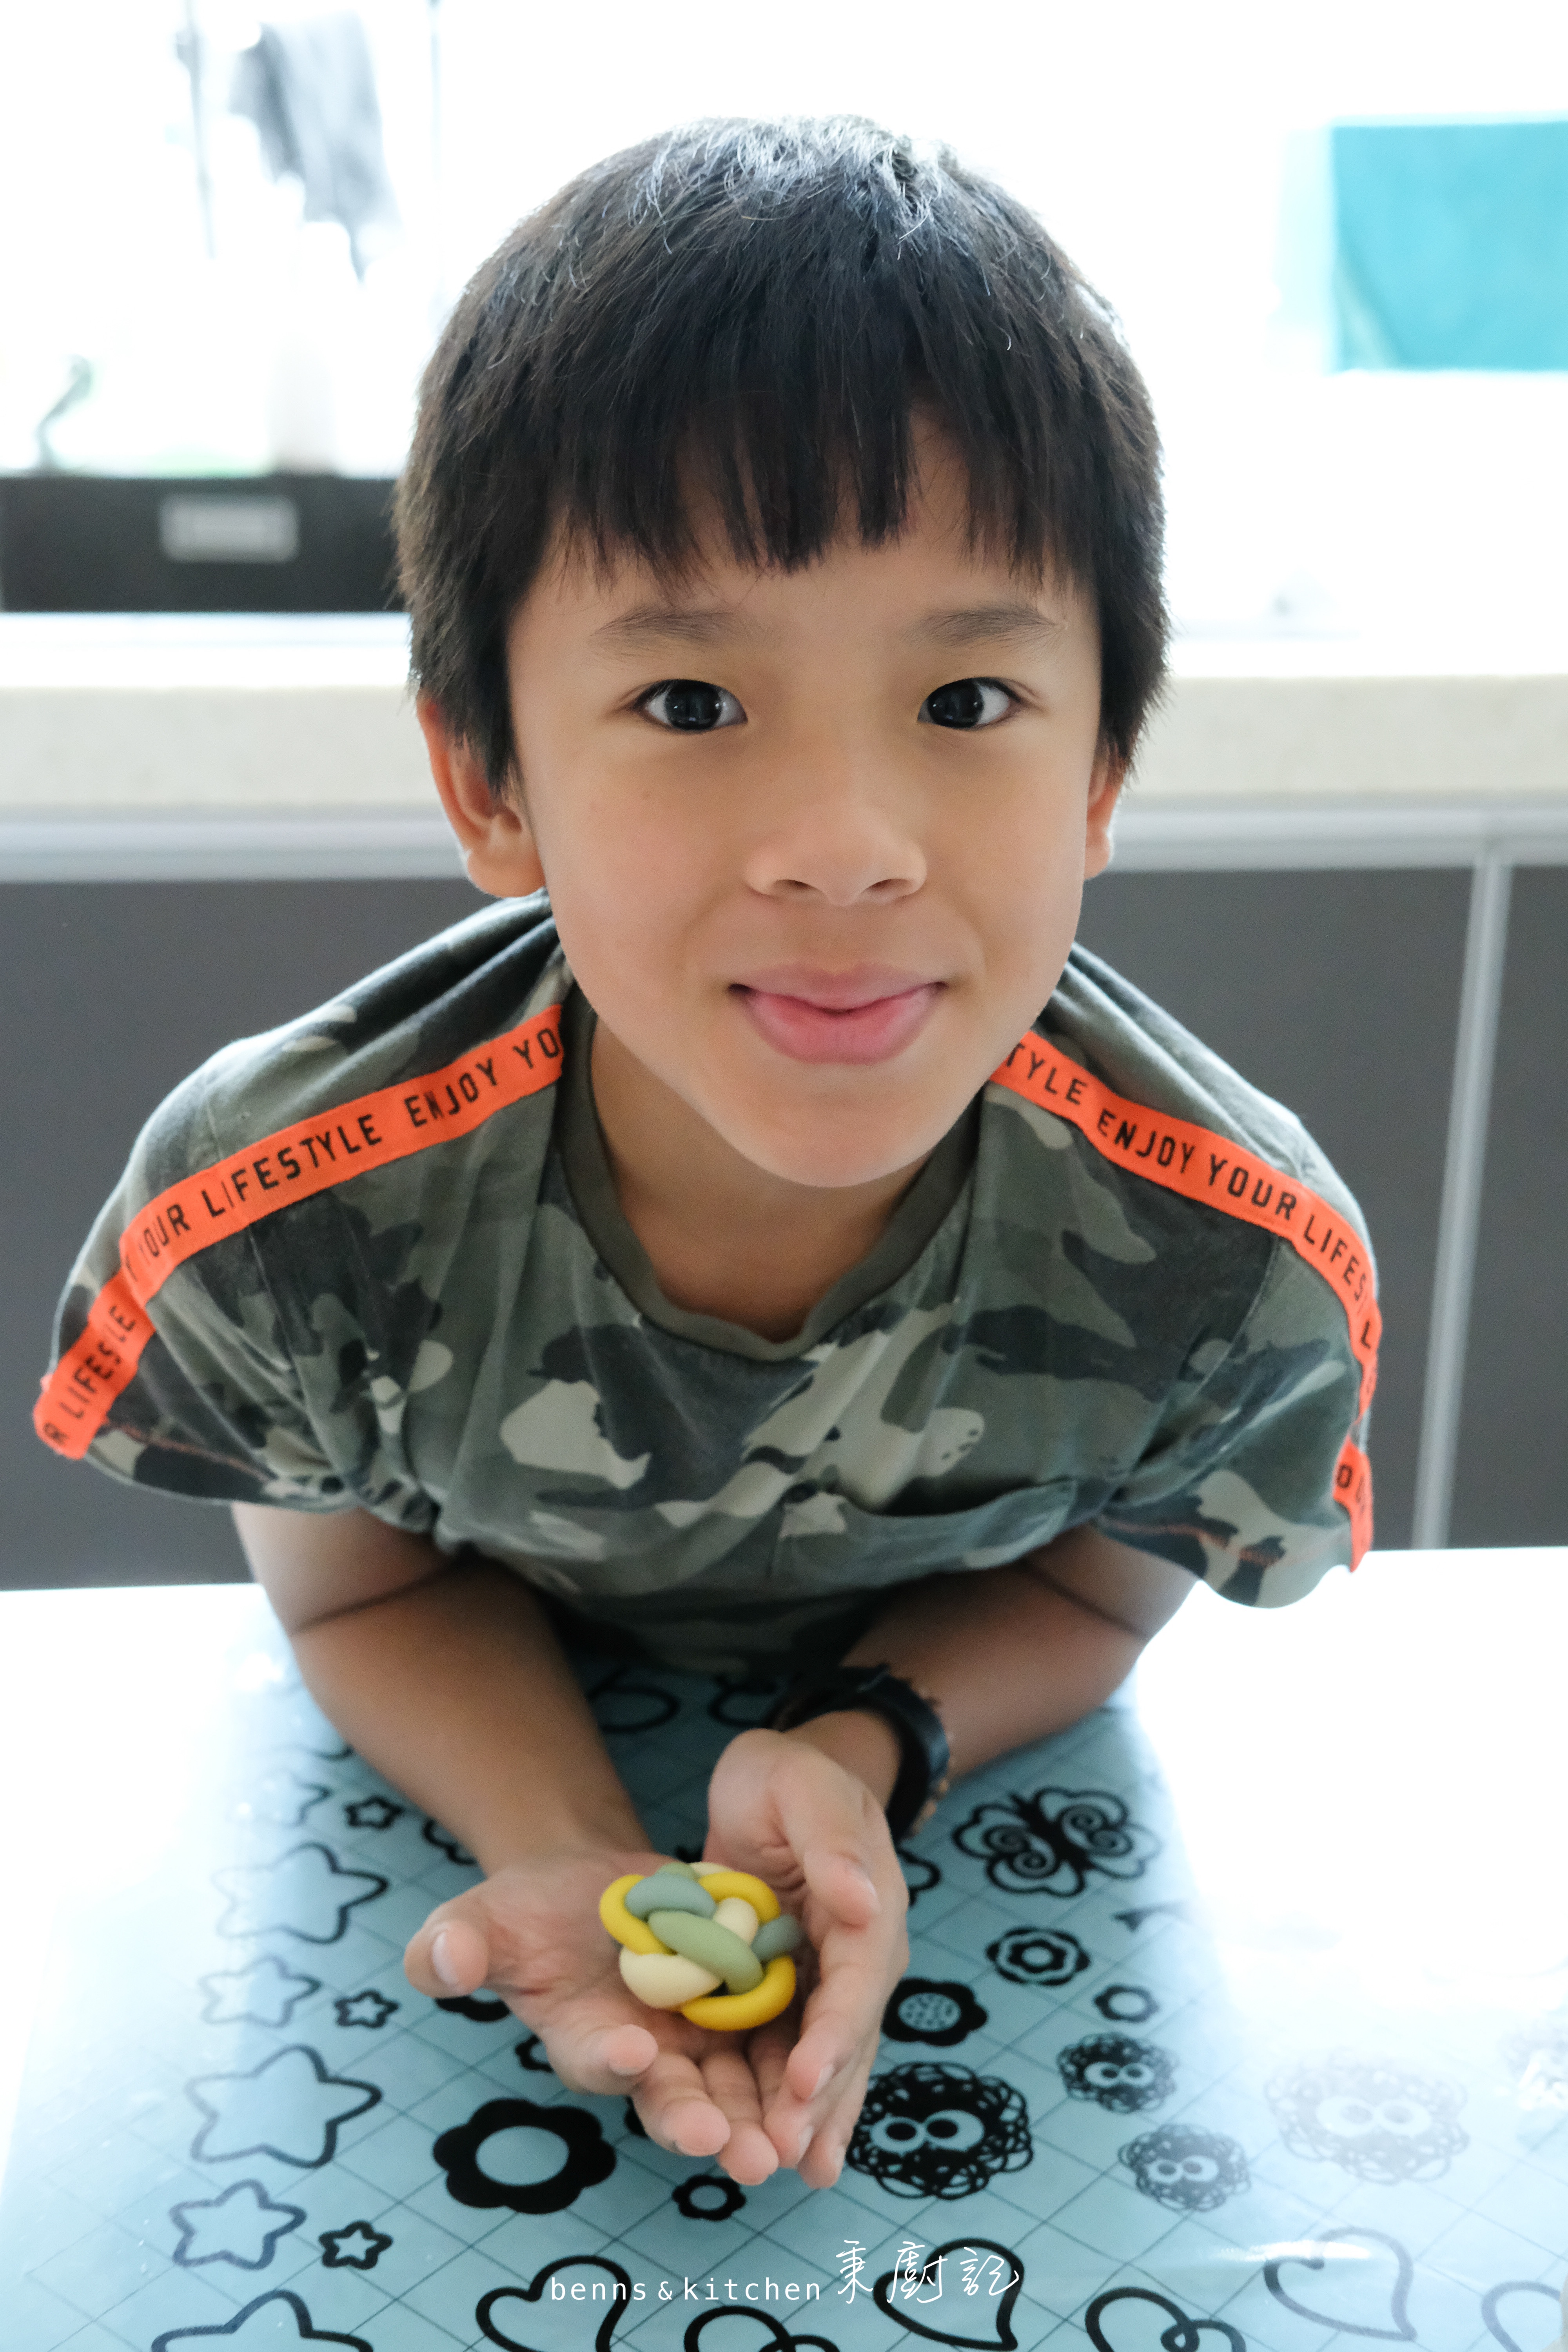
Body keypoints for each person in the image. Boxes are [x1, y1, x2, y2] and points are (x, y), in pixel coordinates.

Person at [34, 117, 1378, 2191]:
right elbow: (362, 1590)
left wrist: (865, 1745)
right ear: (489, 782)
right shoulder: (279, 1219)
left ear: (1105, 769)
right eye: (688, 701)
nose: (845, 844)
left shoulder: (1237, 1266)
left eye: (966, 699)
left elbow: (1103, 1584)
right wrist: (571, 1846)